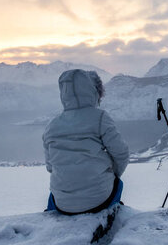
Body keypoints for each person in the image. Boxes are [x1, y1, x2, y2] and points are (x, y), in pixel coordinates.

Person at [43, 69, 129, 215]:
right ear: (93, 92)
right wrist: (113, 172)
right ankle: (112, 212)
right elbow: (121, 153)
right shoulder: (100, 117)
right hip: (99, 200)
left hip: (62, 205)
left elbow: (50, 166)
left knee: (55, 193)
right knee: (118, 184)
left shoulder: (52, 125)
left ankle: (52, 214)